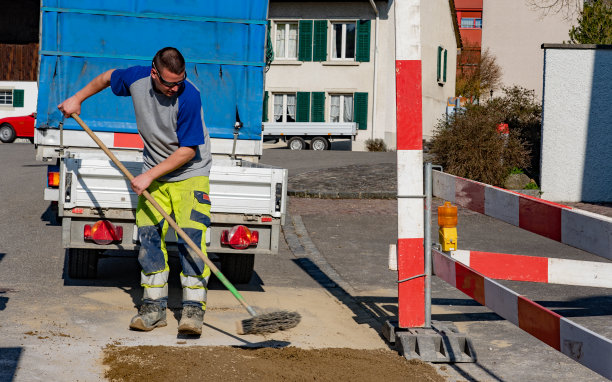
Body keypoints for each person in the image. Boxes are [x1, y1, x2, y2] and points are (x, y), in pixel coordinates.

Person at [58, 47, 212, 335]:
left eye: (179, 81)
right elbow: (106, 78)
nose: (174, 88)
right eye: (168, 83)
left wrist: (148, 176)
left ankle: (193, 310)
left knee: (191, 238)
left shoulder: (189, 96)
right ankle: (154, 308)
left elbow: (188, 152)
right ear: (154, 72)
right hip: (155, 170)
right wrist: (77, 99)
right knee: (149, 238)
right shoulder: (137, 79)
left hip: (190, 174)